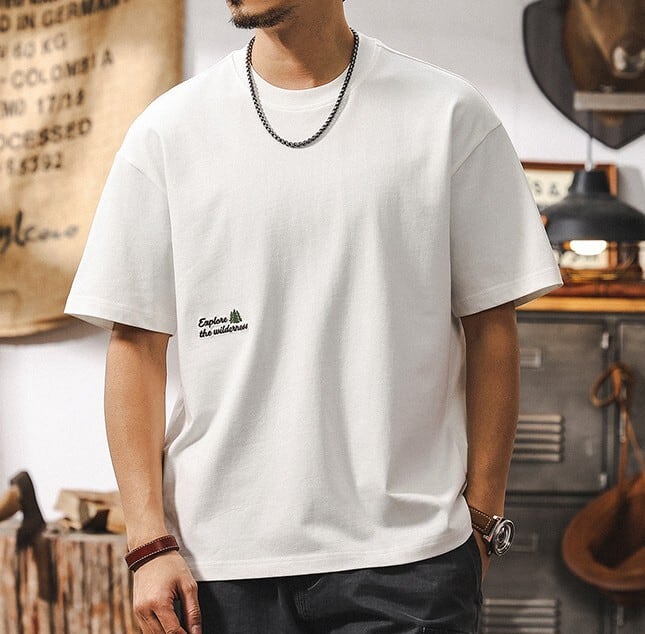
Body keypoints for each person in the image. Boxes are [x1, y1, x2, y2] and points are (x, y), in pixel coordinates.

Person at [65, 1, 562, 632]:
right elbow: (136, 347)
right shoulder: (168, 132)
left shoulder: (449, 115)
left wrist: (484, 521)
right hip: (219, 564)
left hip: (408, 562)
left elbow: (492, 327)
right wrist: (147, 540)